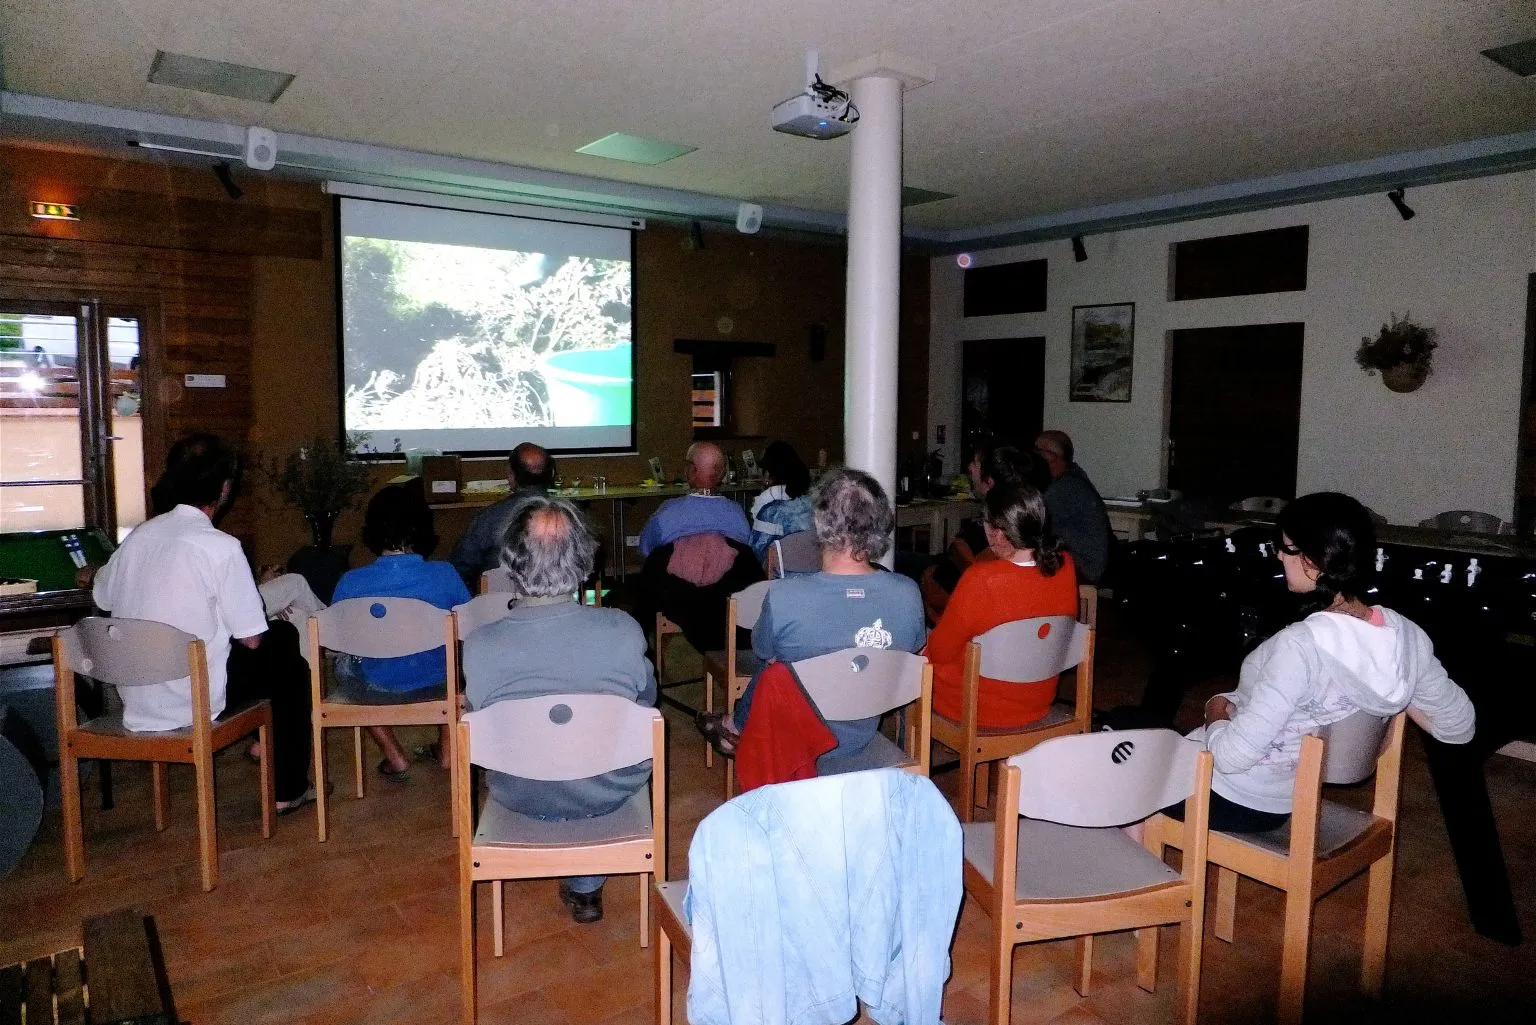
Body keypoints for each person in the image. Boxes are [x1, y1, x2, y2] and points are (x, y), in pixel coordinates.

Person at [1164, 492, 1476, 833]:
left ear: (1314, 559)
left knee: (1122, 753)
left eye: (1286, 548)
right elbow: (1458, 726)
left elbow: (1231, 758)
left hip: (1234, 797)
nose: (1279, 556)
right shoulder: (1406, 637)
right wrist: (1399, 695)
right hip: (1293, 797)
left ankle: (1141, 881)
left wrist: (1215, 714)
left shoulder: (1301, 645)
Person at [92, 433, 317, 813]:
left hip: (138, 694)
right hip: (191, 696)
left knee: (273, 646)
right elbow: (251, 640)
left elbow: (102, 597)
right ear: (225, 488)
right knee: (283, 648)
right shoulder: (221, 546)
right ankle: (288, 787)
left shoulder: (137, 538)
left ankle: (269, 748)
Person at [462, 496, 656, 924]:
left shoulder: (479, 646)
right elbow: (647, 706)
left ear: (509, 564)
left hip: (520, 793)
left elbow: (481, 726)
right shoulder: (623, 630)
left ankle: (581, 878)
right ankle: (586, 883)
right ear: (585, 561)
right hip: (608, 792)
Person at [697, 468, 925, 760]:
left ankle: (735, 727)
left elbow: (762, 650)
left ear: (819, 523)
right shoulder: (907, 594)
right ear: (880, 523)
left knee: (775, 666)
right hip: (862, 735)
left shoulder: (785, 597)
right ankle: (735, 725)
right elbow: (913, 648)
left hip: (794, 739)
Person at [329, 484, 470, 781]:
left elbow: (337, 637)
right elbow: (469, 627)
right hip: (439, 686)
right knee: (454, 657)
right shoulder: (445, 574)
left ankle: (394, 755)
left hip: (373, 688)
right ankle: (447, 750)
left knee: (343, 662)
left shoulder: (350, 582)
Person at [925, 483, 1079, 729]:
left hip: (973, 706)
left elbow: (941, 651)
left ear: (997, 532)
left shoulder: (981, 579)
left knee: (919, 657)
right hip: (1037, 701)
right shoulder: (1065, 566)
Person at [919, 443, 1047, 622]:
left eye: (975, 463)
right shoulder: (1055, 559)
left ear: (989, 481)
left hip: (960, 602)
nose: (970, 467)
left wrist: (926, 609)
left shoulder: (996, 535)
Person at [447, 442, 555, 585]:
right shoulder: (573, 516)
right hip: (561, 599)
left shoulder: (488, 518)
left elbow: (459, 568)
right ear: (552, 474)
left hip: (499, 602)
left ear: (511, 476)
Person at [636, 442, 750, 557]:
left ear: (691, 470)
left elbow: (645, 549)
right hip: (729, 575)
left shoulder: (667, 512)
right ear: (722, 474)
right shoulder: (737, 513)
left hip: (674, 575)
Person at [1034, 430, 1113, 585]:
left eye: (1038, 452)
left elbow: (1034, 523)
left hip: (1086, 567)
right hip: (1085, 563)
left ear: (1051, 457)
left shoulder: (1066, 488)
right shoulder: (1070, 480)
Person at [747, 440, 813, 559]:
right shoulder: (810, 499)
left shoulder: (767, 504)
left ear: (768, 473)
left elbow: (757, 550)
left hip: (779, 570)